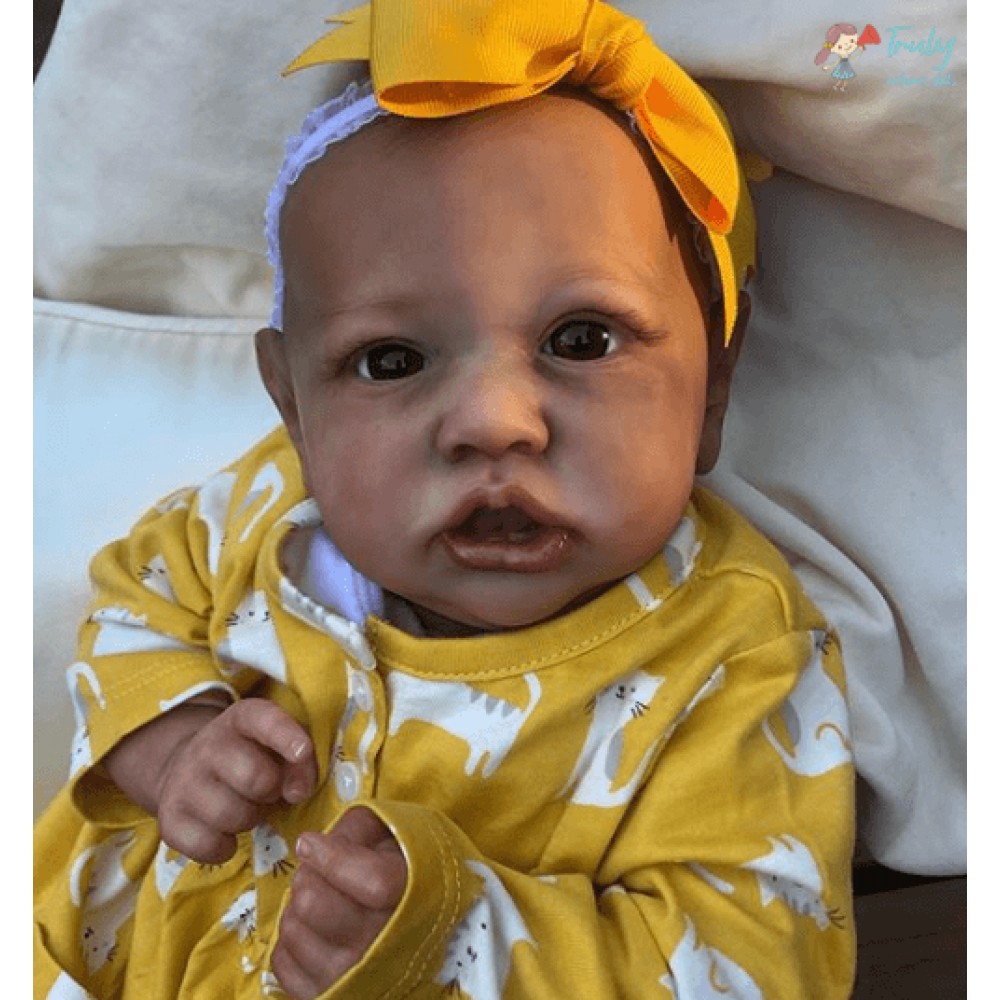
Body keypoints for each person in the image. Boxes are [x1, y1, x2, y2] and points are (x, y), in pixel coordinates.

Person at [34, 2, 856, 998]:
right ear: (294, 408)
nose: (494, 423)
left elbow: (757, 963)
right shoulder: (263, 508)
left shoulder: (732, 657)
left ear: (715, 385)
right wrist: (172, 743)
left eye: (582, 340)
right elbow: (136, 598)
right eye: (391, 360)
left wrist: (447, 935)